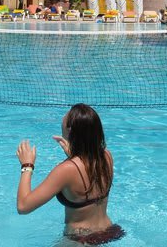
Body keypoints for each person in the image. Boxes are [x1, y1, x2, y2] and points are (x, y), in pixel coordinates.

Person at [16, 104, 124, 245]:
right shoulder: (106, 156)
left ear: (70, 131)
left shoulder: (65, 170)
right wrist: (74, 154)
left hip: (80, 240)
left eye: (67, 115)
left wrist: (27, 165)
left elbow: (23, 206)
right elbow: (87, 174)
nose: (64, 116)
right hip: (109, 231)